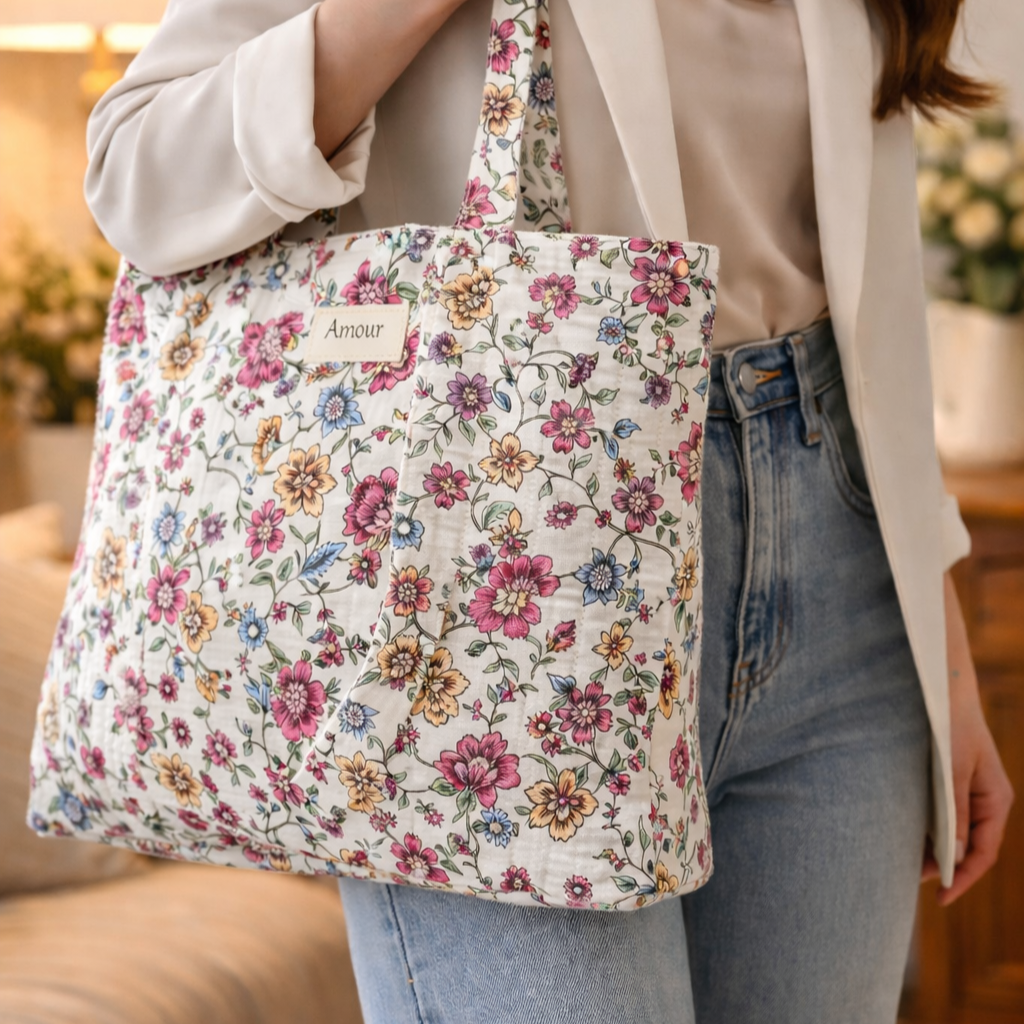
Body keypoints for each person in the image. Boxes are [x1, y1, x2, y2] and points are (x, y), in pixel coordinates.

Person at [84, 0, 1014, 1021]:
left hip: (841, 584)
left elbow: (868, 310)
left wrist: (943, 658)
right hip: (498, 592)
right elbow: (139, 181)